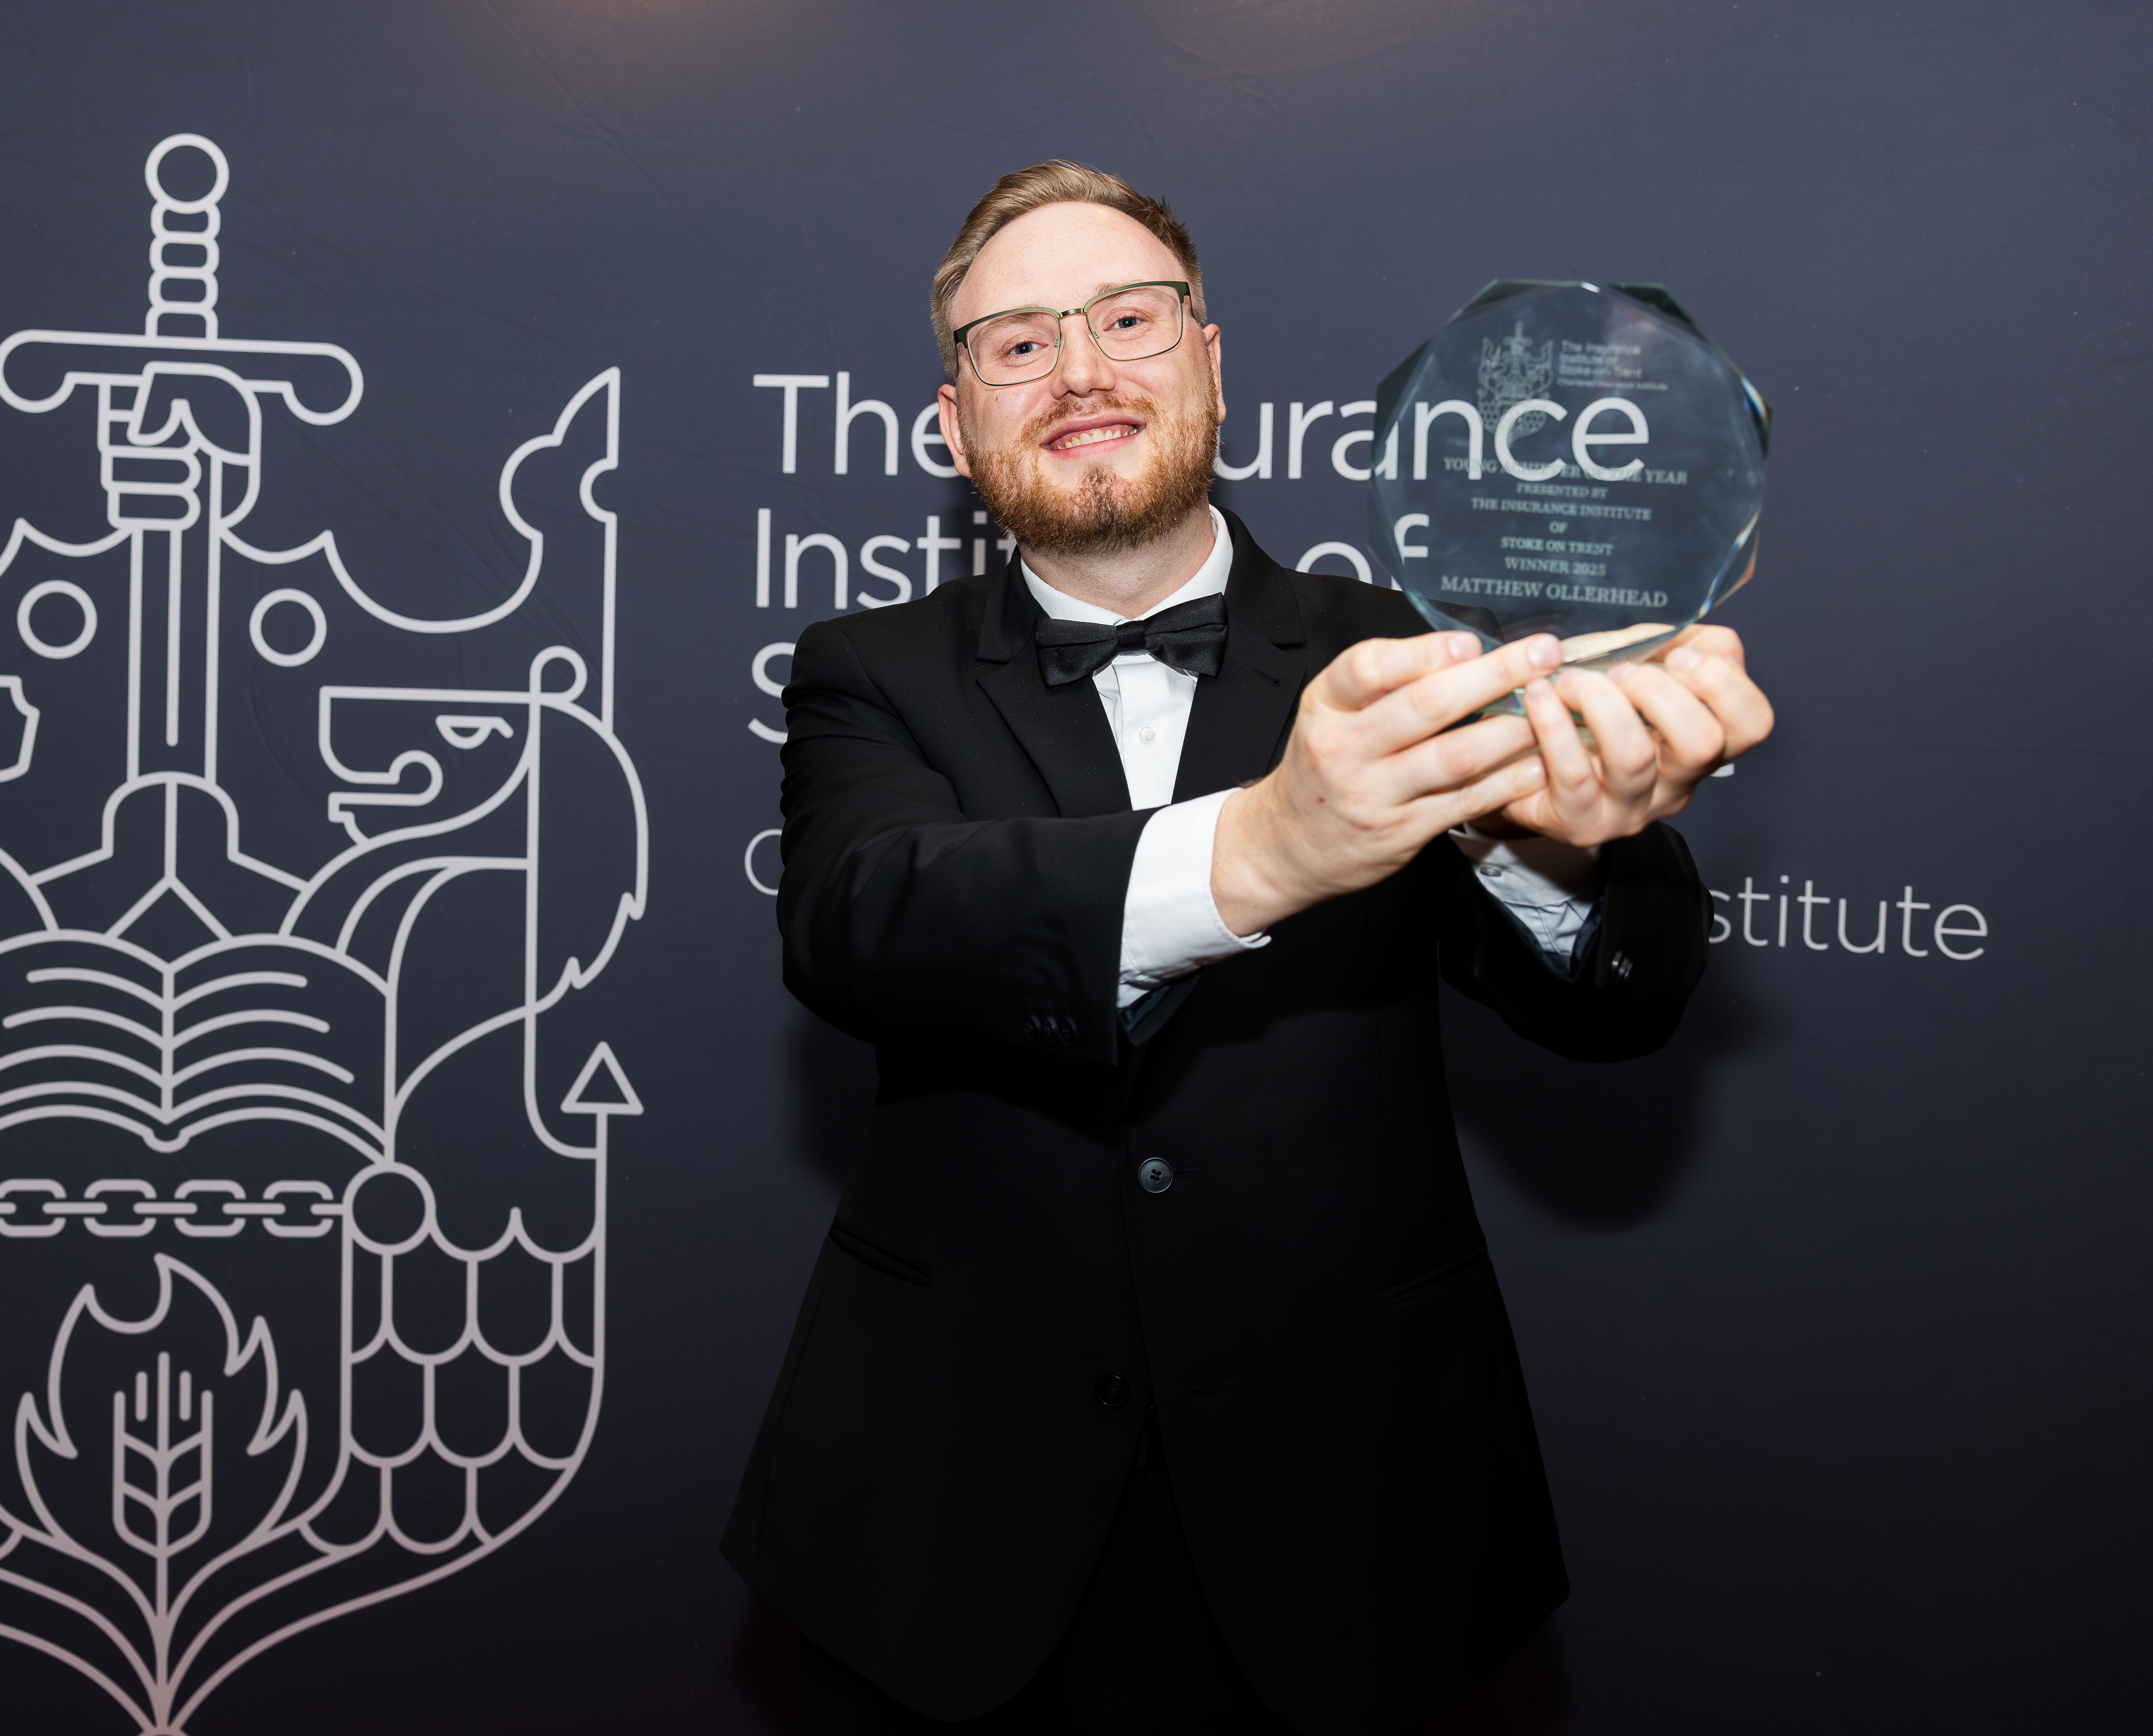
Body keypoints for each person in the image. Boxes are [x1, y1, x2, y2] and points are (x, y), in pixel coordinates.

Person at [722, 163, 1775, 1736]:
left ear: (1211, 366)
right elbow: (861, 918)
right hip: (950, 1517)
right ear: (952, 423)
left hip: (1358, 1512)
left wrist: (1547, 839)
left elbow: (1622, 1001)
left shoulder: (1409, 649)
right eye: (1019, 342)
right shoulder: (865, 668)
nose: (1080, 369)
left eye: (1127, 319)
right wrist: (1272, 845)